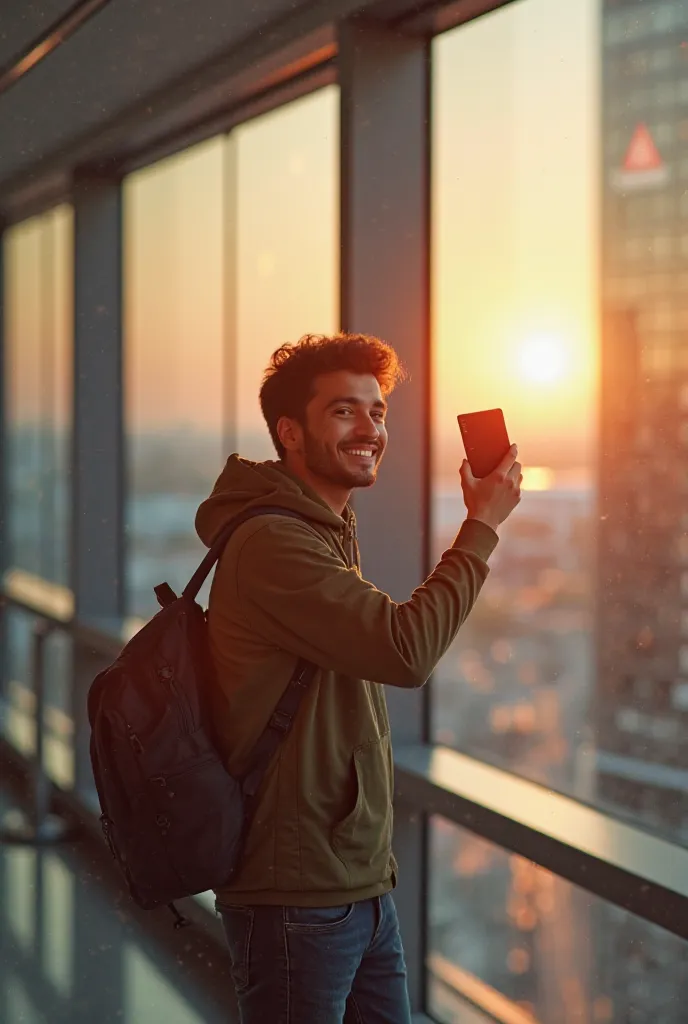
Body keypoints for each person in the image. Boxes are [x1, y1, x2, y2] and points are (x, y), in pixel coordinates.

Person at [195, 333, 522, 1023]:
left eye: (377, 412)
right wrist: (481, 527)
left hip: (356, 884)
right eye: (344, 412)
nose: (370, 428)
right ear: (290, 432)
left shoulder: (323, 528)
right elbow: (404, 650)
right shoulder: (275, 544)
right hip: (297, 894)